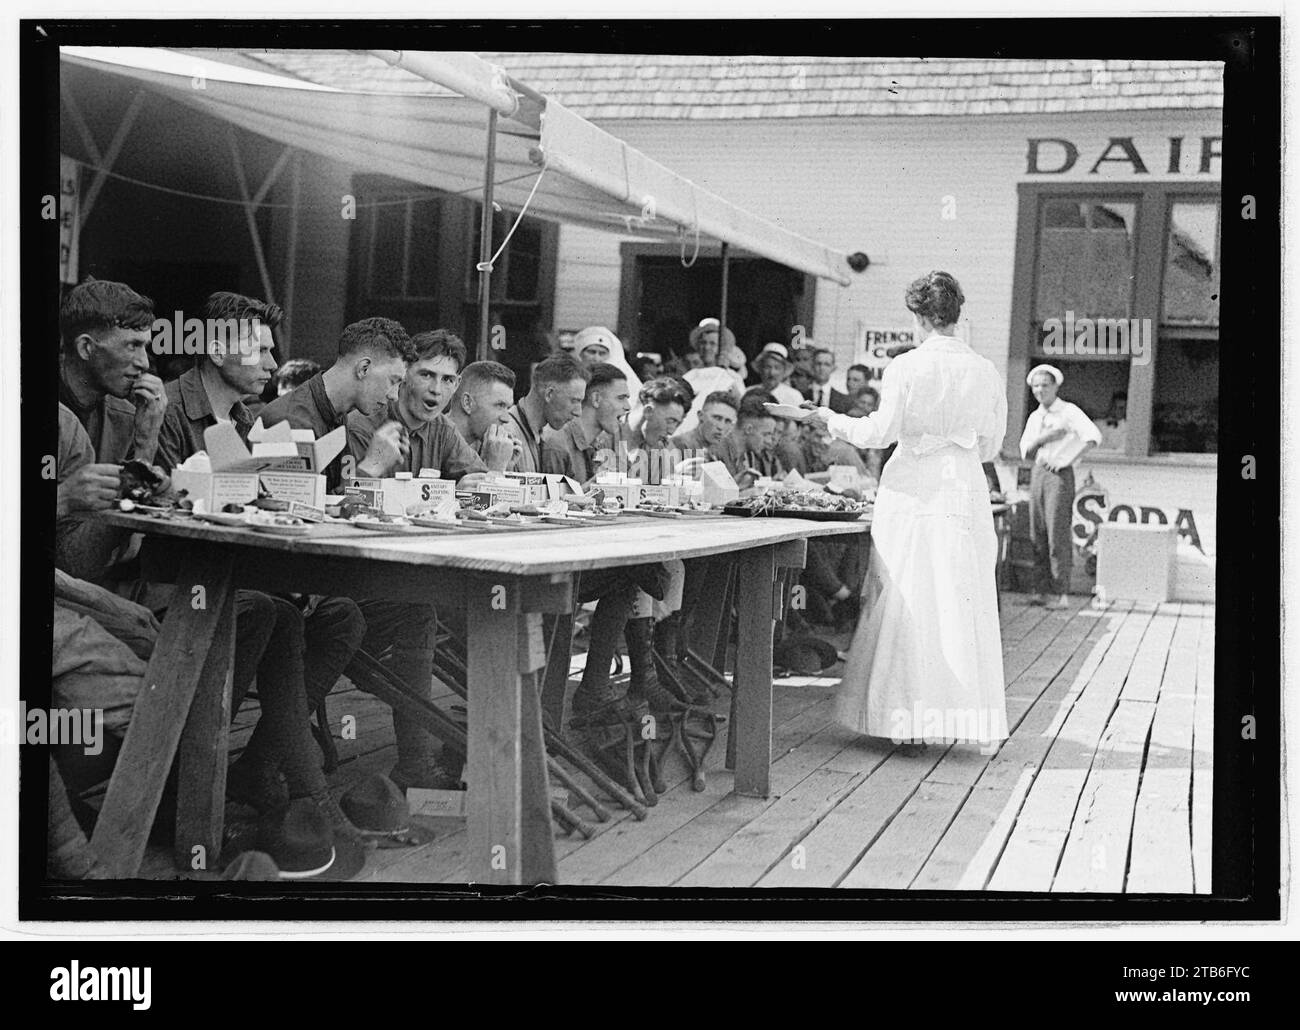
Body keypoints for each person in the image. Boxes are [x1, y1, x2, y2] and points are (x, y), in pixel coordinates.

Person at [803, 271, 1008, 748]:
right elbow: (991, 444)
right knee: (956, 596)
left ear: (918, 316)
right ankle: (950, 720)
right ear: (956, 314)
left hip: (914, 484)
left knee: (906, 592)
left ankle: (901, 721)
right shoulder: (985, 370)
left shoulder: (907, 366)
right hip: (961, 486)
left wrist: (831, 418)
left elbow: (879, 433)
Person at [153, 290, 366, 740]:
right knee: (272, 612)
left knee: (336, 614)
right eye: (261, 350)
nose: (273, 364)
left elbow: (256, 502)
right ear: (215, 350)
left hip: (232, 574)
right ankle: (194, 770)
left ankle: (262, 767)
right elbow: (160, 518)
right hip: (172, 583)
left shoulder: (248, 420)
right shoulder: (167, 412)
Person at [57, 279, 169, 584]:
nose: (144, 363)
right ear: (85, 348)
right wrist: (62, 498)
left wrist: (146, 443)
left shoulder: (127, 416)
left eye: (145, 346)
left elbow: (123, 546)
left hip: (100, 574)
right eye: (132, 345)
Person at [1019, 363, 1102, 609]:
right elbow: (1026, 451)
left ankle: (1061, 594)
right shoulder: (1036, 416)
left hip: (1059, 475)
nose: (1040, 390)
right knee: (1038, 532)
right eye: (1036, 385)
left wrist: (1069, 458)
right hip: (1039, 472)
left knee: (1057, 533)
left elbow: (1093, 436)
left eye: (1045, 384)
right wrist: (1045, 438)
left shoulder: (1069, 411)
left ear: (1056, 386)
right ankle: (1040, 590)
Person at [542, 362, 630, 484]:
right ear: (596, 399)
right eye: (621, 398)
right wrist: (596, 485)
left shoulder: (601, 444)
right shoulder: (557, 444)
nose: (627, 406)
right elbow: (551, 502)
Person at [504, 353, 590, 473]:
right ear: (549, 394)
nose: (578, 412)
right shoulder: (508, 435)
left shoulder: (536, 434)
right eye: (574, 401)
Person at [444, 360, 522, 470]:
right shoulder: (435, 442)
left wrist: (506, 468)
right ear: (467, 403)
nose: (506, 419)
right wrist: (495, 468)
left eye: (508, 408)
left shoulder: (485, 448)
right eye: (500, 405)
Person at [809, 347, 852, 413]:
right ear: (812, 366)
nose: (822, 368)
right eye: (818, 363)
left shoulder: (843, 400)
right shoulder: (800, 393)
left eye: (827, 364)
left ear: (833, 368)